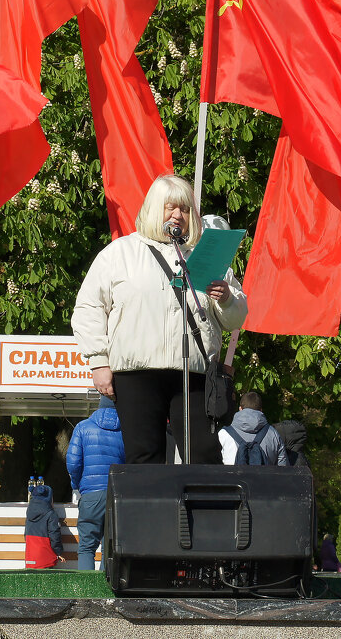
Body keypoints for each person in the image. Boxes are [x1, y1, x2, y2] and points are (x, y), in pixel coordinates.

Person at [73, 174, 248, 465]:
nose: (178, 216)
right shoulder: (120, 253)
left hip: (192, 372)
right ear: (155, 208)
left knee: (204, 457)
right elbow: (88, 308)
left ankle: (204, 511)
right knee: (144, 457)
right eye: (171, 208)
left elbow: (235, 319)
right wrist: (99, 361)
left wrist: (227, 298)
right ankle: (146, 512)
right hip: (136, 372)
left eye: (184, 209)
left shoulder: (205, 256)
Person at [65, 396, 125, 570]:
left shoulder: (83, 427)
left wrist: (76, 484)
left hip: (91, 494)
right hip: (117, 495)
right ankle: (106, 592)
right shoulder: (127, 430)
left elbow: (73, 462)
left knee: (86, 547)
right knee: (110, 547)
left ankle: (86, 594)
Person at [219, 392, 288, 466]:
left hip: (232, 477)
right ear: (261, 410)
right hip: (264, 477)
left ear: (240, 409)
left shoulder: (223, 434)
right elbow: (283, 468)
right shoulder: (273, 434)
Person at [24, 484, 64, 569]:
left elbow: (25, 535)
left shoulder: (29, 513)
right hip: (46, 558)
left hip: (30, 557)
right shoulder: (51, 514)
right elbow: (54, 535)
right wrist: (58, 552)